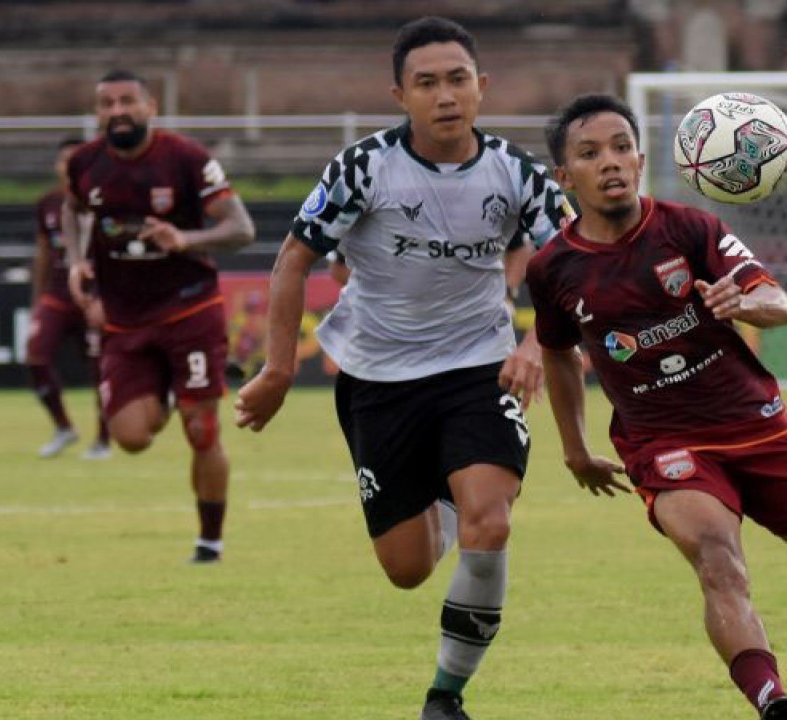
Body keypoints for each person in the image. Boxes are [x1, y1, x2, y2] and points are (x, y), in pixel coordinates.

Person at [233, 17, 571, 720]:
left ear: (482, 87)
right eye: (427, 83)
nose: (445, 95)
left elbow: (574, 265)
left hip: (480, 367)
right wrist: (277, 370)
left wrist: (535, 345)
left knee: (492, 522)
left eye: (457, 80)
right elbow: (294, 258)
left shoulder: (519, 173)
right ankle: (446, 500)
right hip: (377, 378)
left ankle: (445, 697)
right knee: (408, 569)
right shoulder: (362, 168)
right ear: (399, 95)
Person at [527, 94, 787, 720]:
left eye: (620, 147)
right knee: (719, 561)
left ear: (640, 158)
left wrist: (745, 304)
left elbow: (778, 300)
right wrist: (576, 447)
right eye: (589, 154)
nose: (609, 162)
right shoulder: (553, 268)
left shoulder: (691, 229)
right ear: (565, 178)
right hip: (664, 443)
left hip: (757, 427)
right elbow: (556, 353)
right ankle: (774, 702)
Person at [61, 69, 256, 564]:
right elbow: (72, 210)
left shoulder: (186, 158)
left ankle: (209, 543)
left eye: (128, 101)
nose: (118, 111)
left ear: (150, 107)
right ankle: (172, 388)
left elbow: (241, 227)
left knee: (200, 428)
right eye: (107, 103)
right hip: (125, 319)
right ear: (97, 112)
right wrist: (77, 260)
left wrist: (185, 239)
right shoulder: (84, 163)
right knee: (129, 437)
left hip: (190, 307)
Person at [27, 136, 110, 460]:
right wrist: (37, 298)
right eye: (65, 159)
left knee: (101, 371)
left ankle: (103, 440)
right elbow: (44, 252)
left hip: (95, 298)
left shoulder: (108, 201)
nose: (70, 165)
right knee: (36, 356)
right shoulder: (47, 203)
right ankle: (64, 427)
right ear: (58, 166)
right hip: (58, 295)